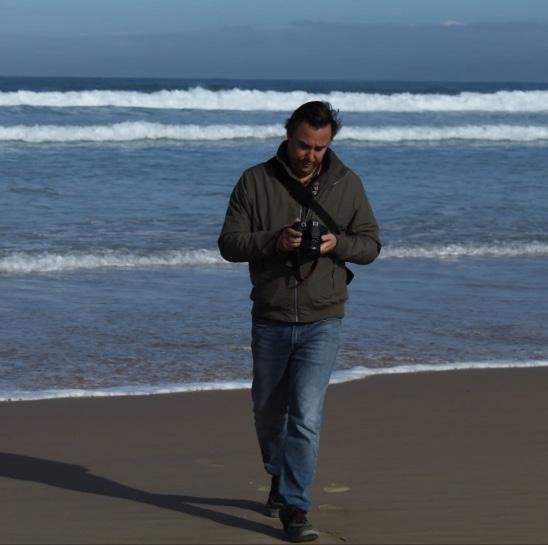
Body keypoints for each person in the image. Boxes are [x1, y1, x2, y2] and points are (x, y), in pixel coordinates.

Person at [218, 101, 381, 542]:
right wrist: (275, 241)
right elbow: (229, 244)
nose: (310, 155)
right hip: (270, 316)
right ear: (288, 135)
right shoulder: (255, 181)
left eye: (319, 148)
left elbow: (371, 246)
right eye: (304, 145)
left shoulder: (348, 184)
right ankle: (279, 472)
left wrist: (335, 244)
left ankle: (295, 507)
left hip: (323, 317)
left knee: (306, 414)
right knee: (268, 412)